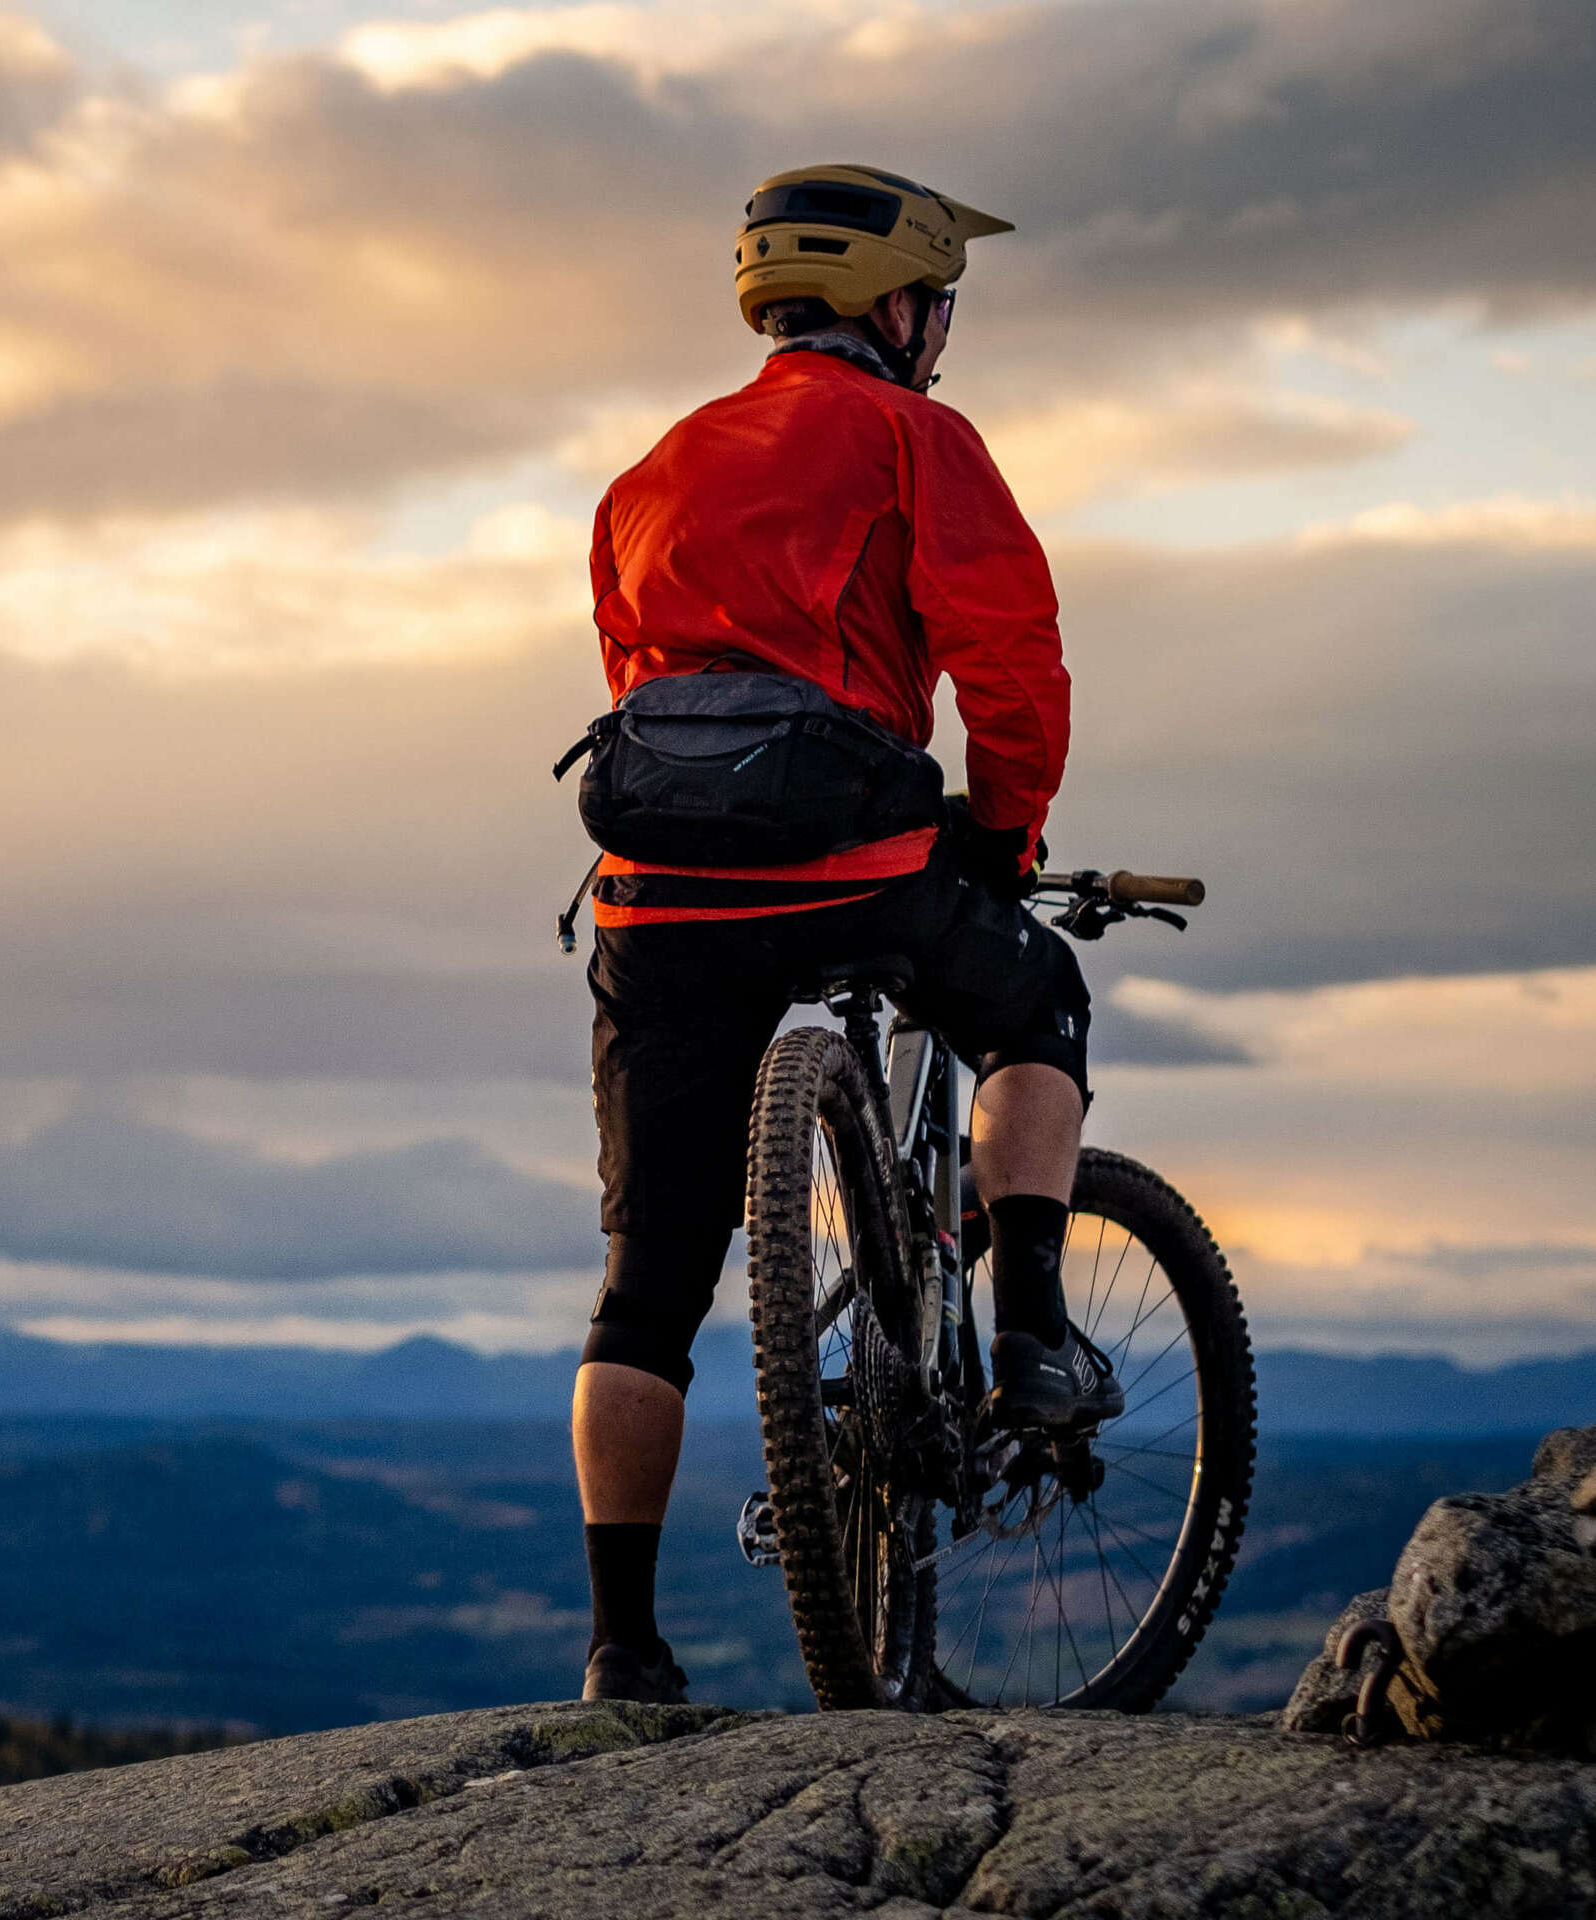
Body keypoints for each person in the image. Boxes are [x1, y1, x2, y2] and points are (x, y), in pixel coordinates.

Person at [564, 165, 1107, 1706]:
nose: (944, 335)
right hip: (854, 866)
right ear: (900, 308)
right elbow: (1012, 657)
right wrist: (1001, 837)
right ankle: (1030, 1343)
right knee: (1037, 1000)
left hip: (657, 895)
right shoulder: (914, 437)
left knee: (649, 1282)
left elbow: (637, 674)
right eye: (941, 305)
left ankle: (622, 1647)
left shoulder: (651, 468)